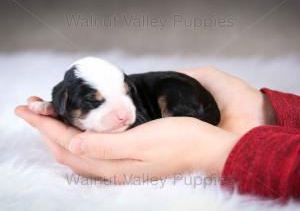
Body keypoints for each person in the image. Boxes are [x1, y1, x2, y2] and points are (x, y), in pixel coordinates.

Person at [15, 67, 300, 202]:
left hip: (180, 95)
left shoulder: (146, 96)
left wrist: (207, 149)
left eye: (125, 95)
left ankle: (184, 118)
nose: (124, 113)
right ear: (64, 101)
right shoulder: (63, 98)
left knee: (171, 90)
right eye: (95, 101)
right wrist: (266, 111)